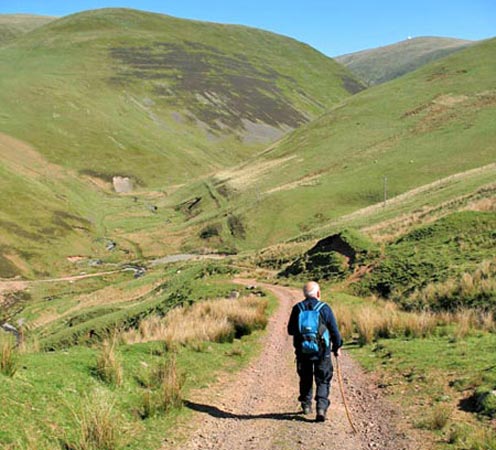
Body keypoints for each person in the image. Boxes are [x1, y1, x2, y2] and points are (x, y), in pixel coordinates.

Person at [287, 281, 343, 422]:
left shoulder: (297, 308)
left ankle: (306, 405)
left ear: (304, 294)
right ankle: (321, 408)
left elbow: (290, 330)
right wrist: (336, 347)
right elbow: (334, 331)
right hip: (322, 352)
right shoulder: (324, 308)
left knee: (305, 377)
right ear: (318, 293)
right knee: (323, 379)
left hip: (302, 352)